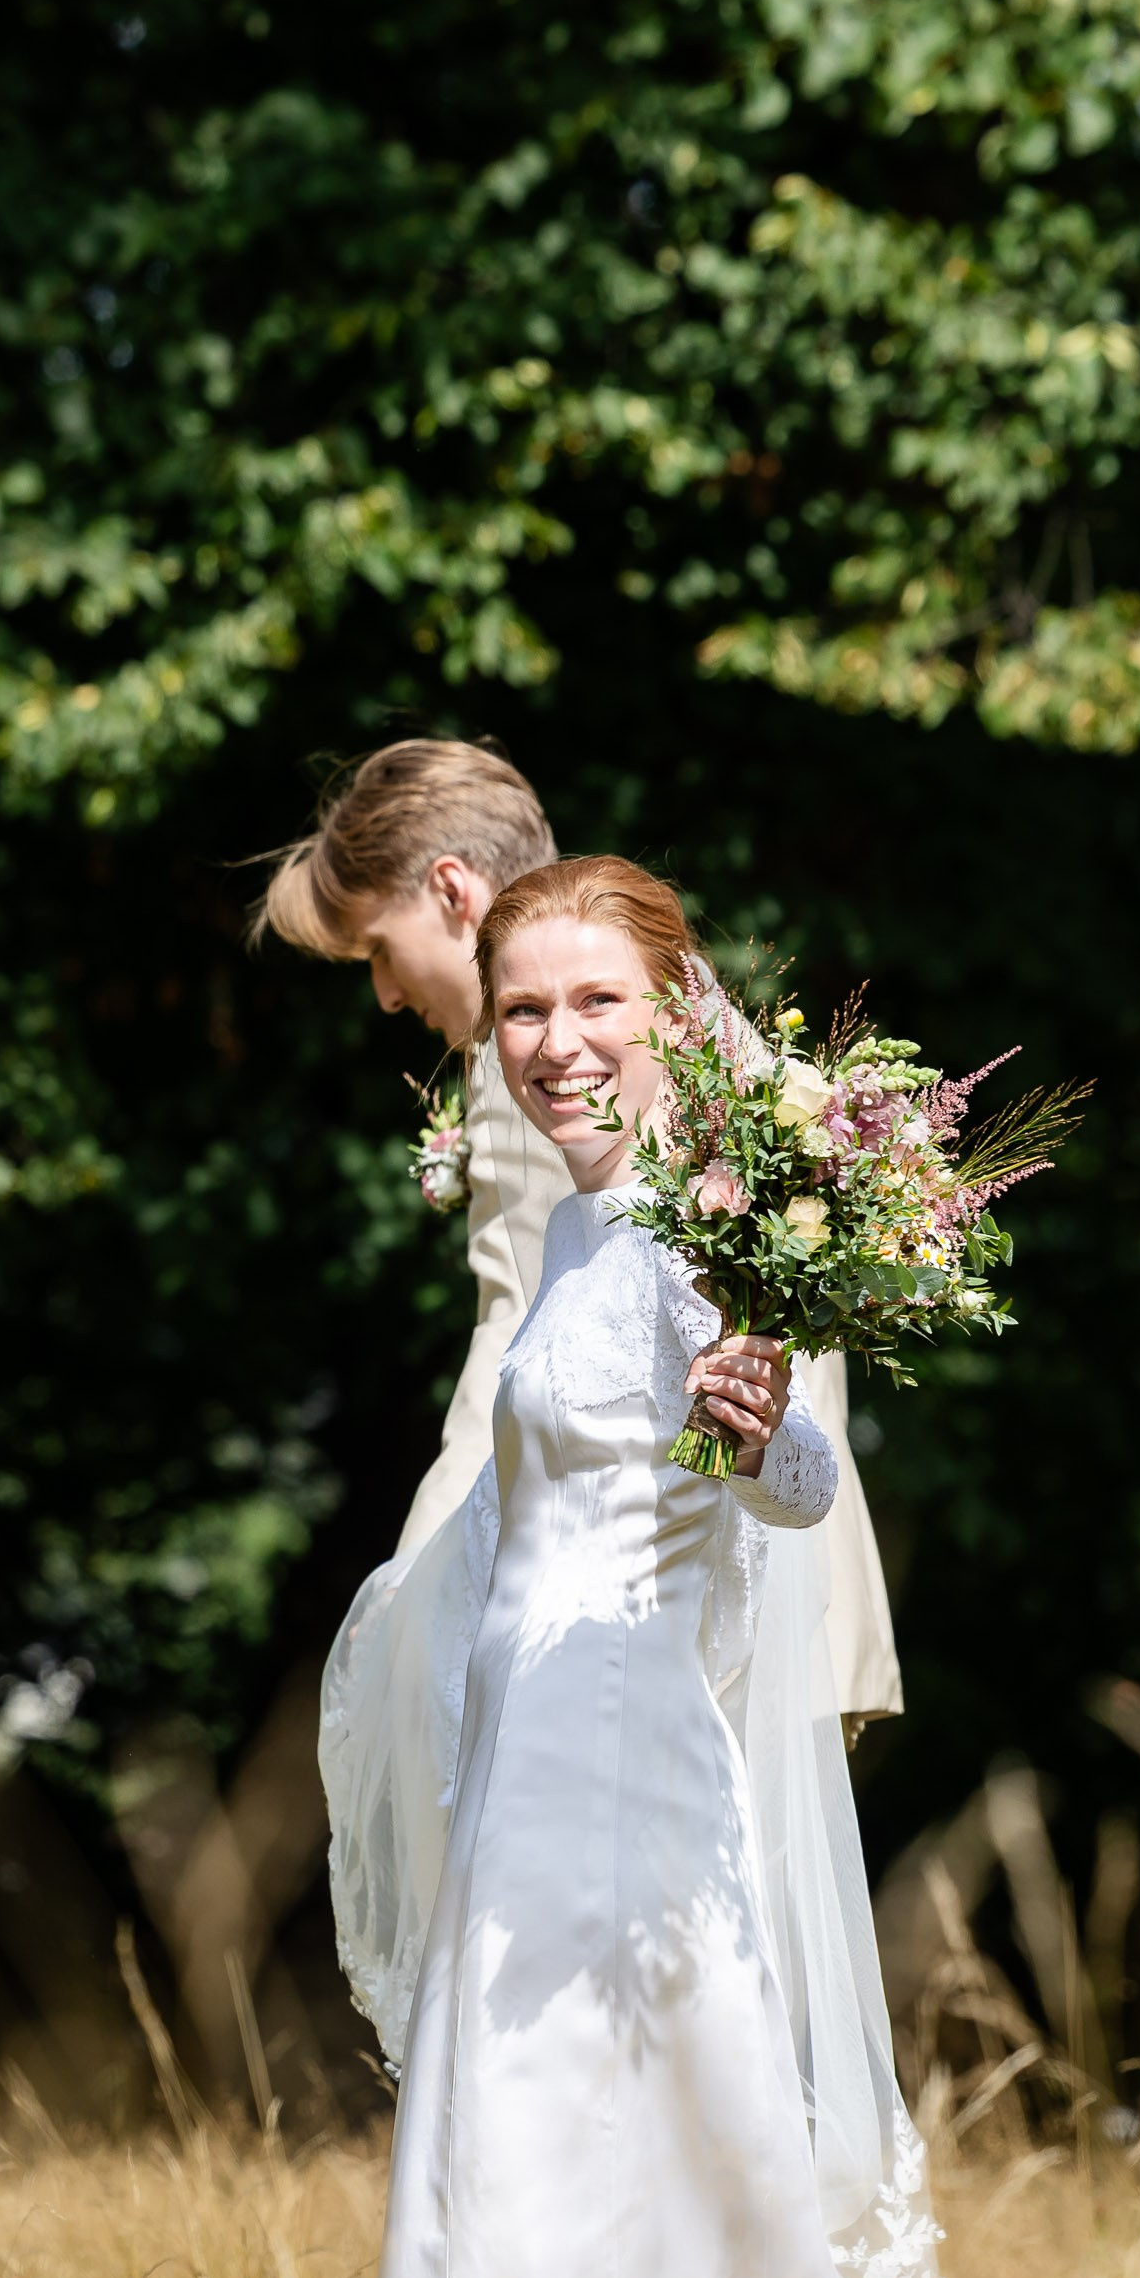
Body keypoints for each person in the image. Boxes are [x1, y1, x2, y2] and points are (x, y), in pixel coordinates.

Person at [321, 858, 938, 2278]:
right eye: (523, 1006)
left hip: (625, 1763)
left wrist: (751, 1435)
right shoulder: (589, 1222)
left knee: (627, 2153)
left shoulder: (712, 1211)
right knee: (526, 2163)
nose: (555, 1041)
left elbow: (800, 1483)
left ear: (675, 1009)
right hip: (530, 1764)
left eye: (597, 1002)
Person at [260, 739, 903, 1729]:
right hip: (774, 1574)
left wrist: (411, 1587)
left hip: (647, 1624)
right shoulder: (659, 996)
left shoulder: (542, 1062)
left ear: (450, 890)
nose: (386, 993)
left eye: (379, 949)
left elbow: (519, 1346)